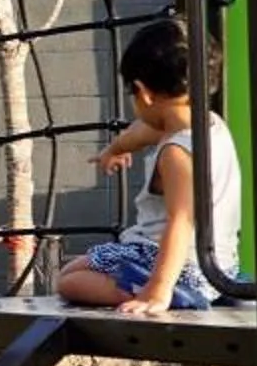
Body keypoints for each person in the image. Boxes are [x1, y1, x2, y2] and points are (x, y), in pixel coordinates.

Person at [57, 16, 241, 315]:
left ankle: (164, 291)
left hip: (172, 263)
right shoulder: (209, 125)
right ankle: (168, 286)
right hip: (218, 265)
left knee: (69, 281)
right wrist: (114, 149)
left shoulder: (176, 152)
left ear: (142, 92)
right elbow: (142, 132)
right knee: (78, 268)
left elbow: (180, 220)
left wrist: (158, 288)